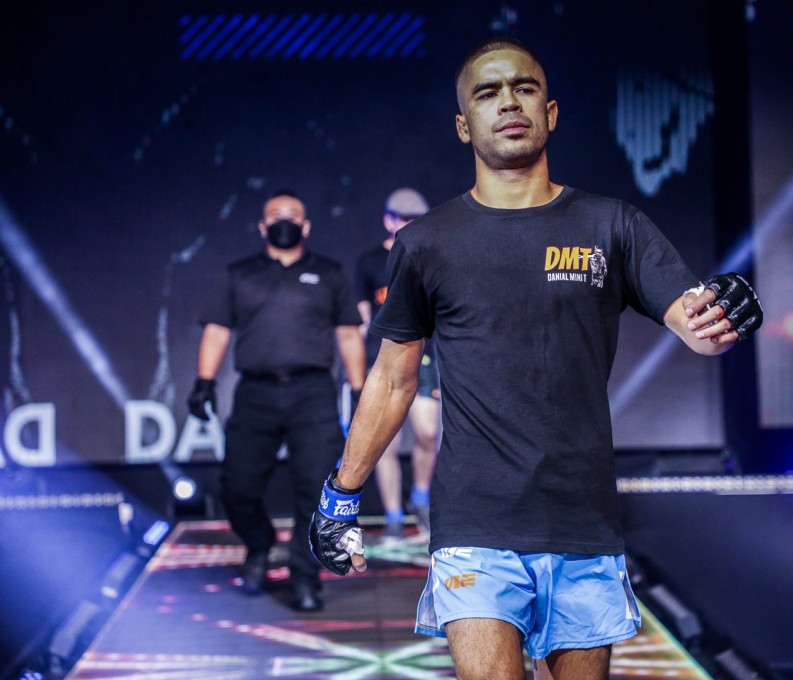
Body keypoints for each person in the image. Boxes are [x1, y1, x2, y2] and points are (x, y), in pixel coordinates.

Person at [309, 38, 763, 678]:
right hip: (476, 522)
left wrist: (719, 321)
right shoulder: (425, 243)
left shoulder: (612, 225)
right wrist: (340, 495)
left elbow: (693, 321)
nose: (508, 103)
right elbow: (391, 380)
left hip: (582, 522)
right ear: (465, 125)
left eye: (523, 88)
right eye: (487, 93)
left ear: (550, 112)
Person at [189, 190, 365, 612]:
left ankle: (305, 577)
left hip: (313, 393)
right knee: (238, 487)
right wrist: (204, 382)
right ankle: (259, 544)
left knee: (315, 490)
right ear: (262, 226)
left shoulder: (329, 273)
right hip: (256, 393)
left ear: (306, 226)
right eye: (276, 216)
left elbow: (347, 333)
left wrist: (360, 391)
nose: (284, 221)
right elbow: (216, 330)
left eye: (293, 216)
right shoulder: (240, 274)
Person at [354, 187, 440, 540]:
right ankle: (392, 514)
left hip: (422, 356)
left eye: (416, 220)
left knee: (428, 432)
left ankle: (420, 497)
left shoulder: (431, 256)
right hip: (382, 358)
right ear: (389, 220)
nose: (410, 225)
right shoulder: (370, 262)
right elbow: (361, 319)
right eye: (404, 219)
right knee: (384, 441)